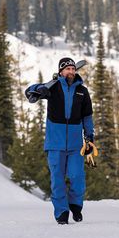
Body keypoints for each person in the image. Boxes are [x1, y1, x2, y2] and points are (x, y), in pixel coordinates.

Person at [25, 57, 96, 224]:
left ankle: (75, 205)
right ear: (61, 72)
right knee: (57, 180)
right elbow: (29, 92)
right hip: (54, 144)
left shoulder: (82, 91)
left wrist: (89, 136)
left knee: (77, 176)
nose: (71, 72)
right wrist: (39, 89)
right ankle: (61, 212)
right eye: (67, 69)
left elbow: (87, 116)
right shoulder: (52, 88)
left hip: (75, 145)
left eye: (73, 69)